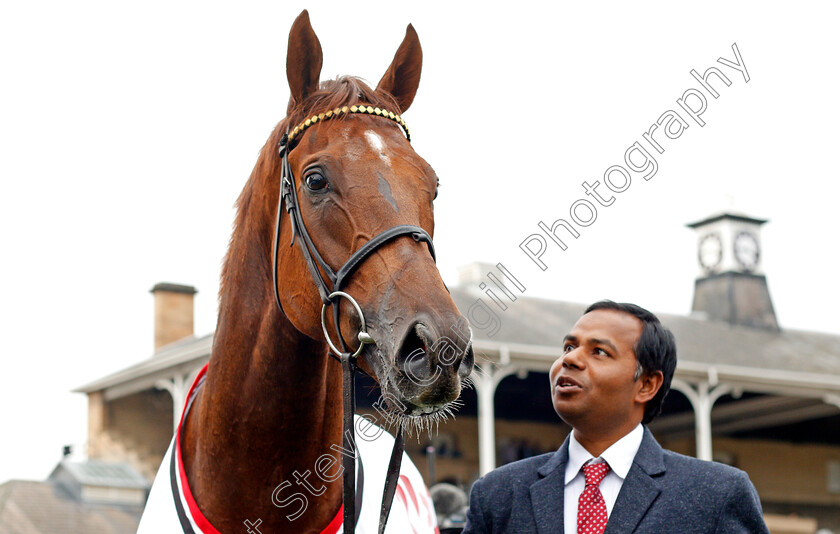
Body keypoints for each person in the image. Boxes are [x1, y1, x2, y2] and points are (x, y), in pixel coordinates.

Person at [462, 300, 769, 534]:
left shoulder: (716, 494)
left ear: (647, 384)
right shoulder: (498, 494)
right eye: (569, 346)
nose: (569, 359)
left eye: (599, 352)